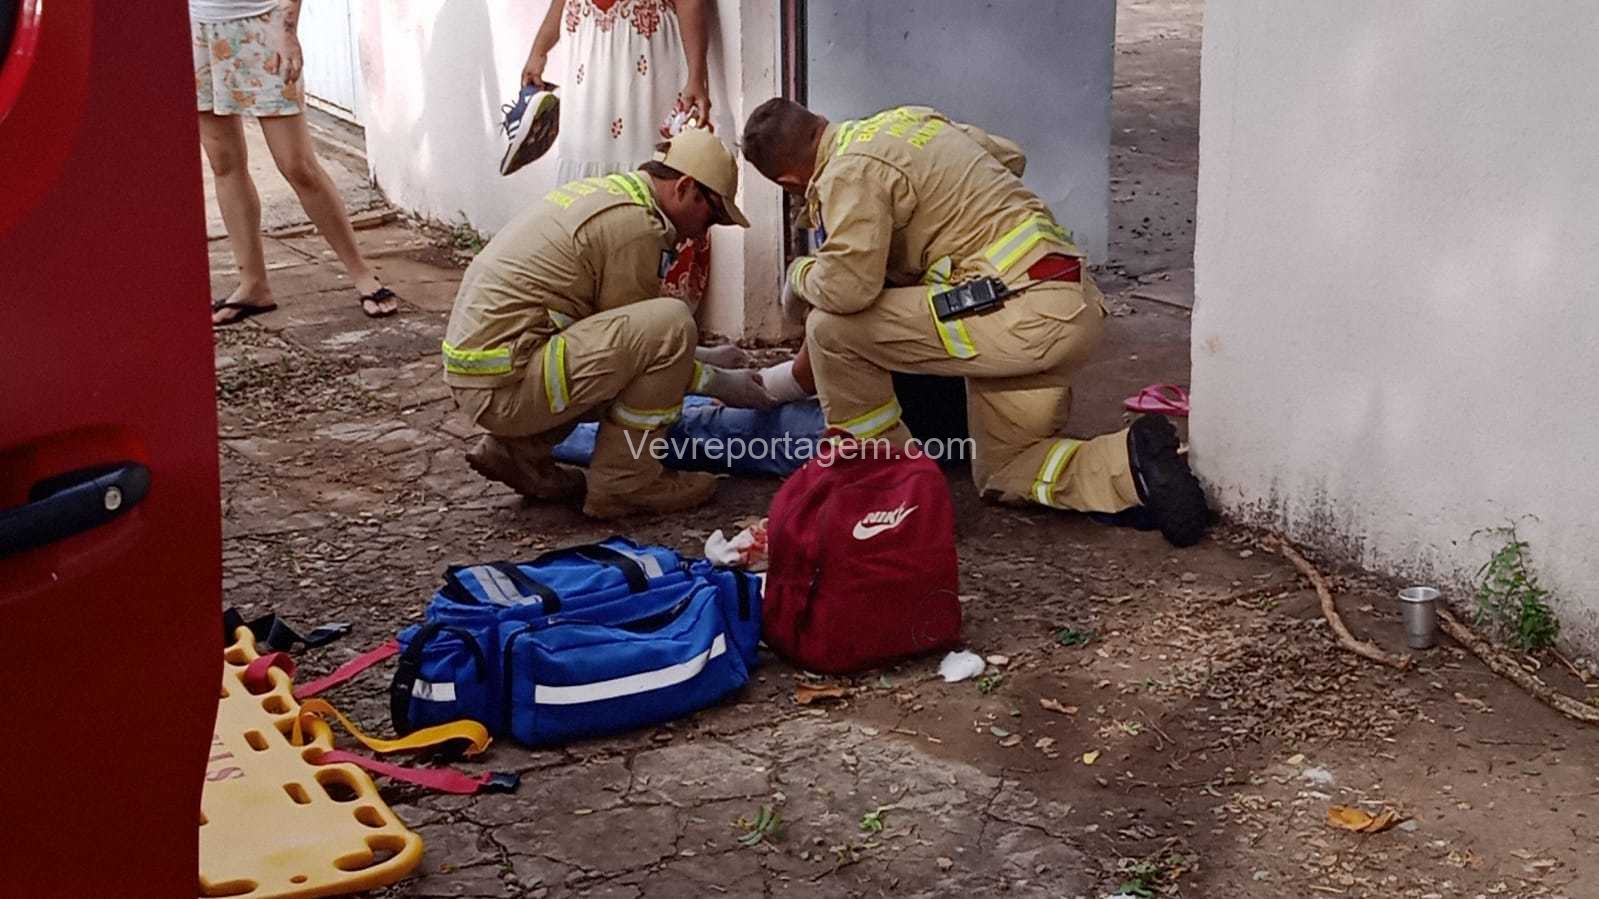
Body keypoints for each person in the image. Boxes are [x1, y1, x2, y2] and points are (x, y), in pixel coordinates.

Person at [741, 100, 1211, 547]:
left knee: (831, 330)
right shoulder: (907, 121)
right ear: (818, 121)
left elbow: (848, 290)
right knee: (1006, 469)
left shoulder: (847, 172)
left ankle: (893, 493)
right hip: (1067, 300)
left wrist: (799, 275)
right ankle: (1131, 465)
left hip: (1016, 313)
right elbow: (1011, 156)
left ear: (788, 181)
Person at [443, 129, 768, 519]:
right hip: (507, 388)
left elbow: (622, 335)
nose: (703, 231)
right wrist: (720, 382)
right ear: (684, 187)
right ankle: (626, 482)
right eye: (712, 216)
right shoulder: (636, 228)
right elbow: (649, 348)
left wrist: (704, 356)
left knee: (664, 333)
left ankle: (519, 453)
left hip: (493, 375)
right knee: (673, 322)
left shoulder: (613, 196)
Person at [192, 0, 399, 326]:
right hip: (195, 28)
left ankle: (362, 275)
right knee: (224, 163)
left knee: (297, 165)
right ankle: (253, 285)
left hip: (263, 24)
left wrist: (287, 30)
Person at [517, 0, 716, 306]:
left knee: (645, 185)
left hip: (642, 71)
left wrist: (696, 77)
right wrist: (539, 51)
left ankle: (650, 314)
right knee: (583, 192)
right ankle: (580, 306)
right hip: (587, 71)